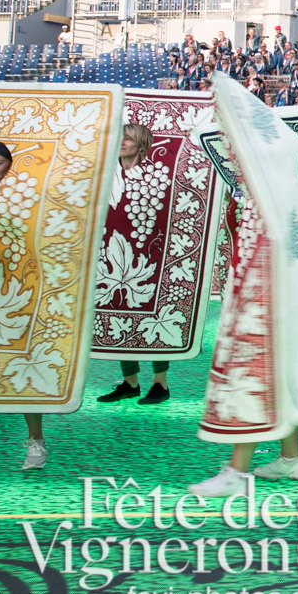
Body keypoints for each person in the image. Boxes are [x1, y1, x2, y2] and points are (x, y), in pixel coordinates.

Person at [0, 141, 51, 468]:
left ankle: (36, 441)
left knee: (24, 363)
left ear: (10, 164)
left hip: (17, 287)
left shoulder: (28, 194)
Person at [96, 123, 173, 405]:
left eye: (128, 138)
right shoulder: (108, 174)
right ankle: (130, 382)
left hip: (148, 254)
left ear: (141, 144)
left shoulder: (155, 175)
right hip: (111, 251)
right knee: (118, 313)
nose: (122, 142)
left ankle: (160, 383)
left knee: (152, 316)